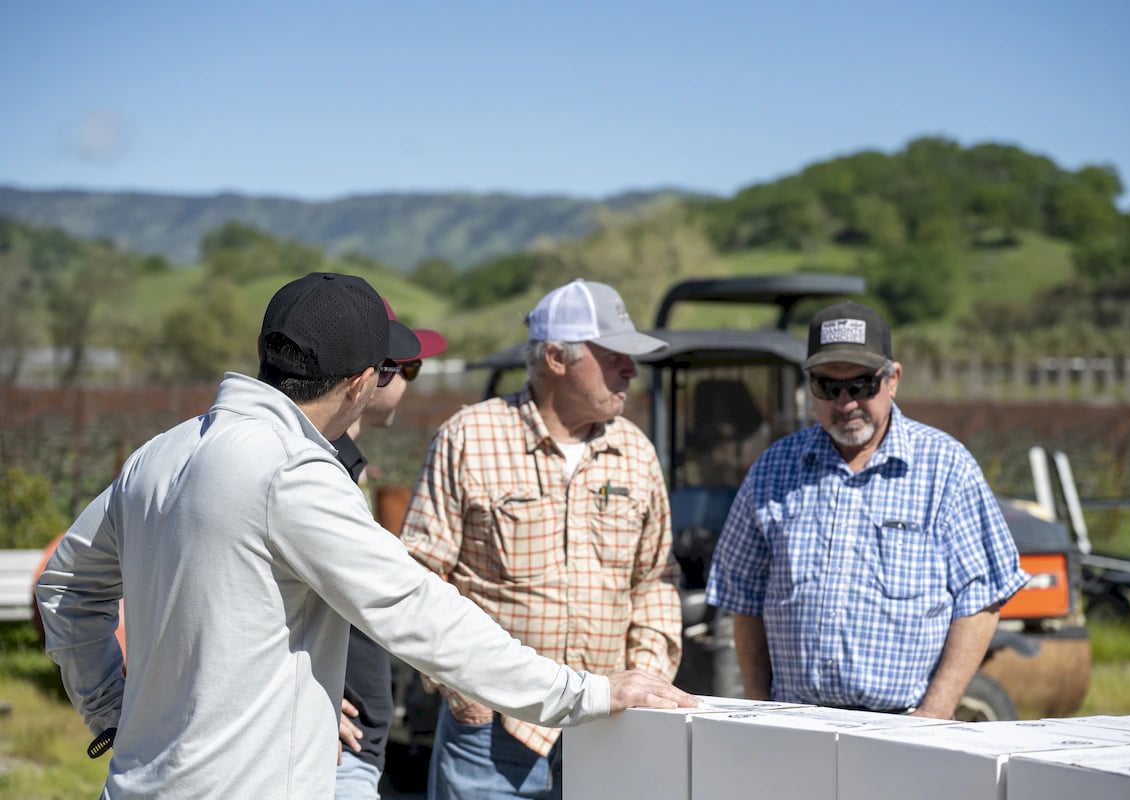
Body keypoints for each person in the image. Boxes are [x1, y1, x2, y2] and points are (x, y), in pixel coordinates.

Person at [35, 272, 696, 800]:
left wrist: (112, 715)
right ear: (359, 382)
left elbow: (65, 587)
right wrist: (588, 693)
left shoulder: (162, 453)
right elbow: (417, 612)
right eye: (391, 371)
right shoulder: (292, 473)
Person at [400, 278, 683, 799]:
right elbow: (420, 577)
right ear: (556, 357)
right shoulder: (468, 438)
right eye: (615, 355)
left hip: (609, 728)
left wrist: (646, 678)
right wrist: (465, 692)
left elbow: (655, 580)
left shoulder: (637, 454)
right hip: (492, 736)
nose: (631, 370)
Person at [705, 300, 1029, 718]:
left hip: (899, 727)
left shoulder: (945, 468)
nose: (845, 403)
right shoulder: (773, 470)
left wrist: (934, 714)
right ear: (809, 386)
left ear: (892, 379)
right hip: (793, 722)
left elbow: (981, 600)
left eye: (860, 386)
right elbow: (743, 596)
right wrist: (761, 708)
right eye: (828, 387)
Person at [333, 300, 448, 800]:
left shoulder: (338, 464)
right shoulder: (313, 472)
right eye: (408, 368)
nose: (408, 381)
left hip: (351, 753)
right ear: (369, 376)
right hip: (331, 756)